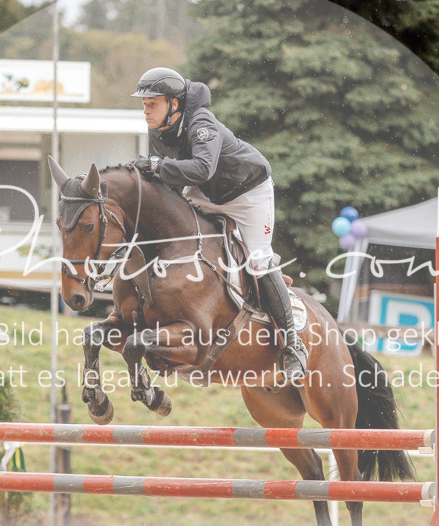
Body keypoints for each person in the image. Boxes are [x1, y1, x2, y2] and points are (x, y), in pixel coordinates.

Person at [129, 67, 307, 382]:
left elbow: (200, 169)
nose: (145, 110)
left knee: (259, 260)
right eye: (143, 104)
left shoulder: (201, 123)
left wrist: (156, 165)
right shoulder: (157, 130)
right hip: (206, 193)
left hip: (247, 193)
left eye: (151, 103)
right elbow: (171, 183)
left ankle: (293, 347)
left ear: (174, 104)